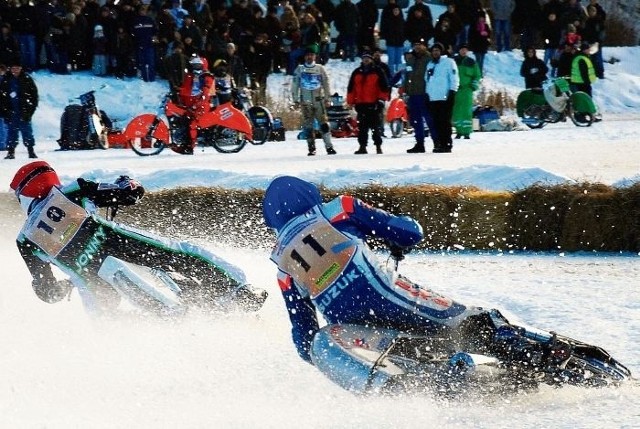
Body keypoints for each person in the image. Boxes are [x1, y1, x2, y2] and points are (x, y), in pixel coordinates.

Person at [261, 176, 552, 365]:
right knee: (466, 320)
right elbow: (409, 231)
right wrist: (399, 237)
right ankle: (531, 355)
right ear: (308, 194)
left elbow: (304, 337)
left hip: (346, 321)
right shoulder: (339, 208)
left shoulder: (282, 268)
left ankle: (428, 370)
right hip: (381, 291)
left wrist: (319, 357)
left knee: (403, 344)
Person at [10, 161, 267, 316]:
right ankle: (237, 289)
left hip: (92, 283)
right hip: (121, 244)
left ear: (24, 195)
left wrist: (63, 288)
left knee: (108, 324)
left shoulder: (25, 242)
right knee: (179, 252)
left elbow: (47, 292)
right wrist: (130, 184)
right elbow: (126, 193)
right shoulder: (72, 191)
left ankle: (151, 336)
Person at [291, 47, 336, 156]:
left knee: (324, 125)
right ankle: (311, 148)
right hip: (305, 102)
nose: (309, 57)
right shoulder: (300, 69)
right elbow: (295, 85)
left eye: (311, 55)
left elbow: (326, 84)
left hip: (318, 101)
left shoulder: (320, 69)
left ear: (315, 56)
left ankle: (329, 147)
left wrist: (327, 98)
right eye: (307, 55)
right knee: (308, 126)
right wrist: (295, 100)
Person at [346, 51, 390, 155]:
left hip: (374, 104)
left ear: (371, 59)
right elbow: (351, 88)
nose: (366, 60)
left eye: (368, 58)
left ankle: (378, 146)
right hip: (361, 104)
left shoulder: (378, 71)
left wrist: (381, 100)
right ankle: (362, 146)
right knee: (362, 128)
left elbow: (384, 87)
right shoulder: (356, 72)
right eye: (364, 58)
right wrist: (350, 102)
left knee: (376, 127)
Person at [174, 55, 216, 154]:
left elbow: (206, 92)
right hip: (194, 104)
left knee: (192, 124)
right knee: (185, 121)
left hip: (201, 105)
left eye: (197, 66)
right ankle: (185, 144)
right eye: (194, 66)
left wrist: (199, 103)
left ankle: (190, 147)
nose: (195, 68)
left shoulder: (206, 76)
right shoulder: (192, 76)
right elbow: (189, 90)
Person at [0, 58, 39, 160]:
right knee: (11, 133)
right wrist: (4, 111)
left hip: (24, 111)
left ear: (21, 68)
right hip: (11, 111)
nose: (15, 70)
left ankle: (31, 151)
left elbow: (34, 96)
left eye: (17, 68)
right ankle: (11, 152)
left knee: (27, 132)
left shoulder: (27, 79)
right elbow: (2, 97)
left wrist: (30, 111)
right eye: (13, 68)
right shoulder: (6, 80)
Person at [425, 42, 459, 153]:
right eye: (433, 51)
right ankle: (439, 143)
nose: (435, 53)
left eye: (437, 51)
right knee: (436, 122)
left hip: (445, 97)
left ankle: (447, 143)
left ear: (441, 52)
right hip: (433, 98)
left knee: (445, 121)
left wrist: (452, 91)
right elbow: (427, 80)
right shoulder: (430, 64)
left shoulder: (449, 62)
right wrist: (427, 94)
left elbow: (454, 78)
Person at [403, 40, 434, 154]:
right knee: (415, 120)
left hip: (424, 93)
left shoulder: (429, 59)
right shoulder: (411, 59)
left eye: (419, 45)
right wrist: (405, 90)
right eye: (415, 45)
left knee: (430, 119)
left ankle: (436, 141)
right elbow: (407, 76)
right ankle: (419, 143)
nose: (417, 47)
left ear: (424, 46)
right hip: (413, 94)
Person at [452, 44, 481, 139]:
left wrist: (474, 85)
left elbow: (477, 75)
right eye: (462, 49)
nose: (464, 51)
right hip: (456, 90)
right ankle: (459, 131)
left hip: (467, 90)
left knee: (467, 111)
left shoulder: (471, 62)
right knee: (456, 111)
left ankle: (467, 132)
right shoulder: (453, 61)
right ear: (459, 50)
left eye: (465, 50)